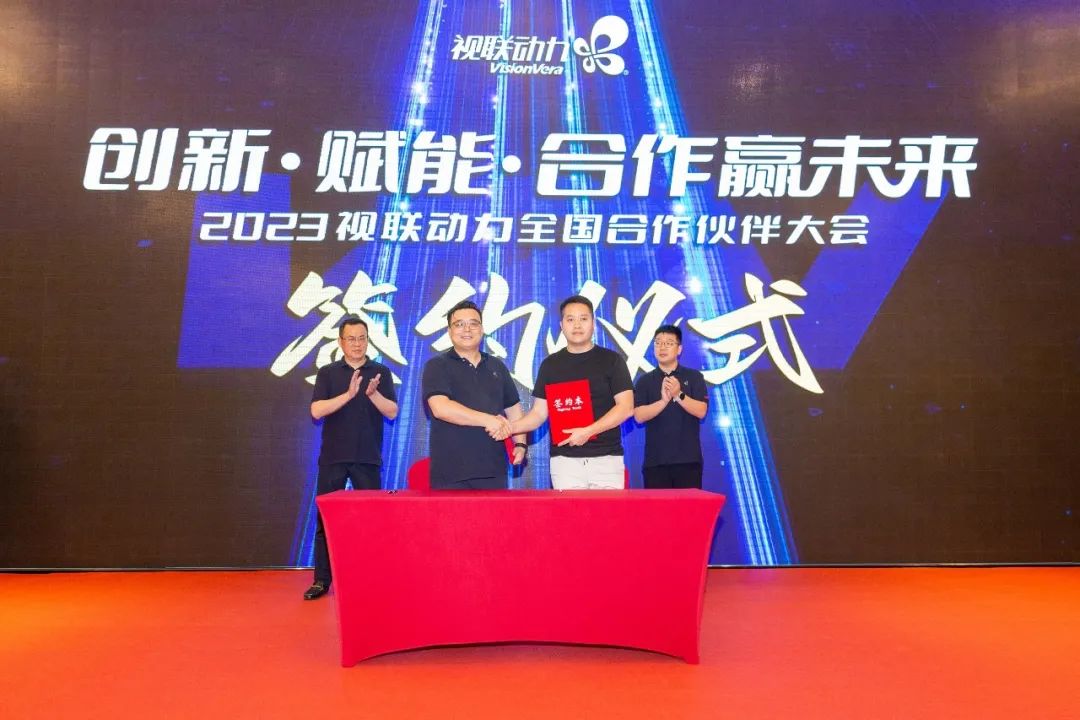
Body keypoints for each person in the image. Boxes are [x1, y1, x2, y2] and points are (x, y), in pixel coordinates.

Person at [304, 316, 398, 601]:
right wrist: (348, 394)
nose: (357, 344)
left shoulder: (380, 371)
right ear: (341, 341)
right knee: (325, 520)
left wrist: (372, 394)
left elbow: (392, 412)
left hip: (367, 457)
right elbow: (316, 411)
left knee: (372, 521)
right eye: (351, 339)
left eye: (362, 338)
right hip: (333, 457)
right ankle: (322, 580)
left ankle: (372, 578)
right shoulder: (328, 373)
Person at [509, 295, 633, 489]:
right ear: (561, 325)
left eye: (583, 318)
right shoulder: (550, 365)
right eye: (570, 319)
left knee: (607, 511)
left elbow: (626, 407)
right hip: (564, 462)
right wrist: (509, 427)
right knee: (569, 511)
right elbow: (539, 413)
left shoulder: (612, 360)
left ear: (593, 323)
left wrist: (588, 431)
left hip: (606, 459)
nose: (577, 325)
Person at [421, 300, 526, 489]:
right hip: (451, 473)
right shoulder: (437, 365)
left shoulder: (497, 366)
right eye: (459, 324)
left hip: (494, 470)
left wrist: (520, 444)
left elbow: (513, 408)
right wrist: (488, 420)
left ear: (482, 329)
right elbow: (440, 408)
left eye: (473, 323)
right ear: (449, 331)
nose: (467, 329)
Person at [632, 325, 709, 489]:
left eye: (668, 343)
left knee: (688, 506)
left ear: (679, 349)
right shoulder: (644, 381)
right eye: (658, 343)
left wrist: (678, 394)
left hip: (688, 462)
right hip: (655, 463)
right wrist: (663, 401)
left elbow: (701, 411)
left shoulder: (694, 377)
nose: (662, 347)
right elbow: (639, 416)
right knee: (657, 507)